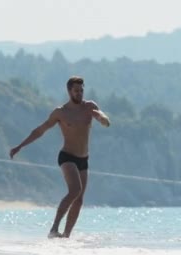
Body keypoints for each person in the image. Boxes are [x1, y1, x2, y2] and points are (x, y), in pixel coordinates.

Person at [10, 76, 110, 238]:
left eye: (81, 90)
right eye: (76, 91)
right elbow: (40, 130)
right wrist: (20, 146)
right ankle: (53, 229)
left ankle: (66, 236)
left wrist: (101, 118)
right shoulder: (61, 112)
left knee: (79, 200)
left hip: (84, 159)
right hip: (67, 156)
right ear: (69, 91)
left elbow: (106, 122)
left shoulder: (90, 107)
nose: (79, 94)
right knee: (75, 190)